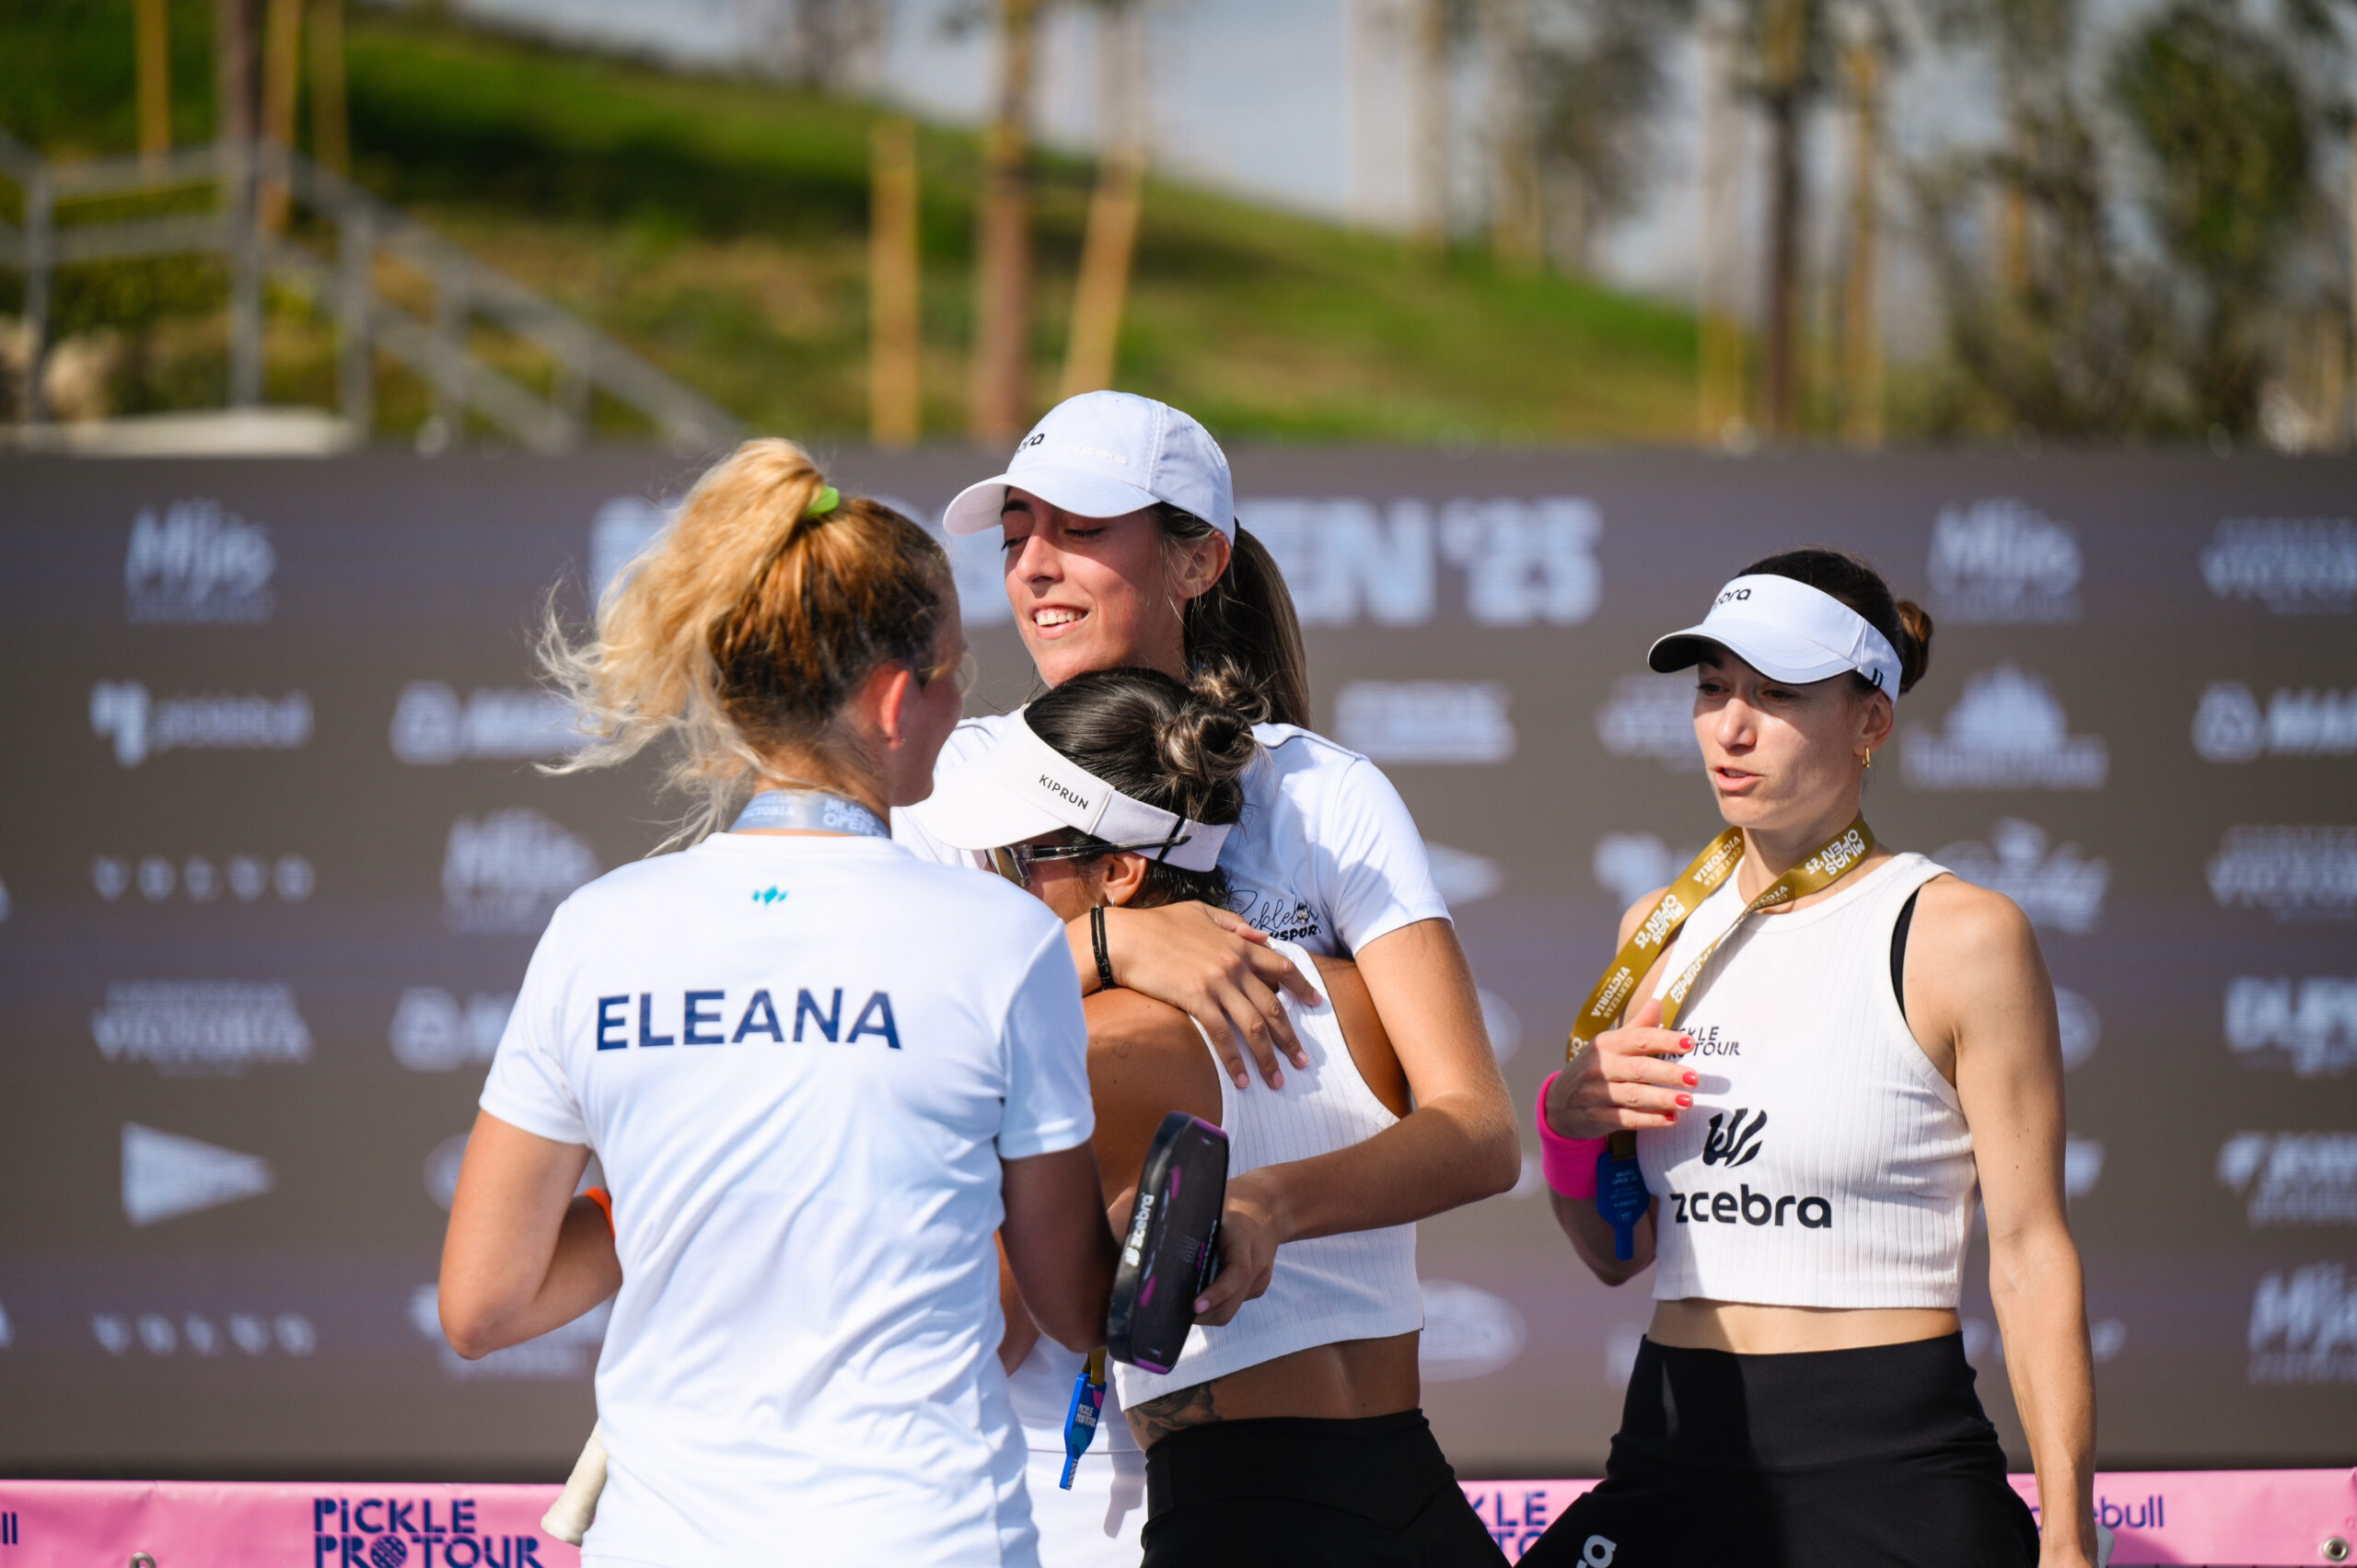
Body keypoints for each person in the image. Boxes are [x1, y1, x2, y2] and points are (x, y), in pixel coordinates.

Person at [435, 440, 1119, 1568]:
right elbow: (1075, 1306)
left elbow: (484, 1302)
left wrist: (671, 1191)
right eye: (953, 672)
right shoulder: (1001, 939)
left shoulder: (596, 930)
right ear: (894, 701)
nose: (964, 702)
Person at [895, 390, 1521, 1562]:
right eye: (1017, 532)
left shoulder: (1323, 791)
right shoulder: (945, 785)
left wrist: (1257, 1205)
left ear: (1199, 558)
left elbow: (1477, 1130)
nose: (1035, 564)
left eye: (1083, 529)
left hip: (1213, 1483)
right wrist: (1099, 948)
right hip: (1066, 1480)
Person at [1518, 549, 2100, 1568]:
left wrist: (2068, 1539)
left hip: (1887, 1459)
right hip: (1674, 1444)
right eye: (1712, 689)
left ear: (1871, 720)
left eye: (1776, 694)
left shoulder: (1962, 934)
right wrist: (1566, 1128)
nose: (1730, 727)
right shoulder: (1655, 929)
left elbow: (2030, 1253)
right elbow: (1618, 1253)